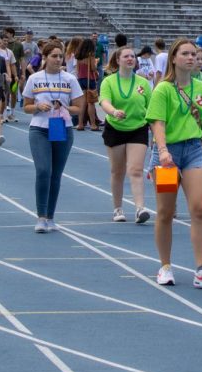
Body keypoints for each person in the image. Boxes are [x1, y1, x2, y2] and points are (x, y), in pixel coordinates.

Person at [147, 38, 202, 289]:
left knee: (199, 209)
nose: (191, 58)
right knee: (166, 211)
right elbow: (157, 122)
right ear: (174, 58)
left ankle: (201, 268)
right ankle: (165, 265)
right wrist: (163, 150)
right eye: (185, 54)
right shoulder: (163, 89)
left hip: (193, 150)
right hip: (167, 154)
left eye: (194, 54)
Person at [22, 41, 84, 232]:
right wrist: (38, 107)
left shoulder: (70, 79)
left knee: (55, 174)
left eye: (60, 56)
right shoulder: (35, 78)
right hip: (39, 129)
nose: (58, 59)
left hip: (62, 128)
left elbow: (78, 108)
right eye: (54, 56)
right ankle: (40, 217)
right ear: (45, 57)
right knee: (43, 170)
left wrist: (64, 108)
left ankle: (50, 216)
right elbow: (26, 107)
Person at [99, 46, 153, 225]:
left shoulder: (143, 83)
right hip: (115, 128)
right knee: (118, 171)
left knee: (136, 170)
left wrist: (156, 131)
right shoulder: (109, 82)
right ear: (118, 60)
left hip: (138, 128)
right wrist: (114, 111)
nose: (131, 59)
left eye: (132, 56)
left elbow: (152, 108)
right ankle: (118, 208)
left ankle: (140, 208)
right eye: (126, 56)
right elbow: (104, 102)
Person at [74, 37, 101, 131]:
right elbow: (93, 68)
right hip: (90, 79)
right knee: (91, 102)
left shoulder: (78, 55)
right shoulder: (91, 55)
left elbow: (77, 69)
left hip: (81, 79)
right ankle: (93, 124)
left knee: (83, 102)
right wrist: (96, 62)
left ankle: (80, 124)